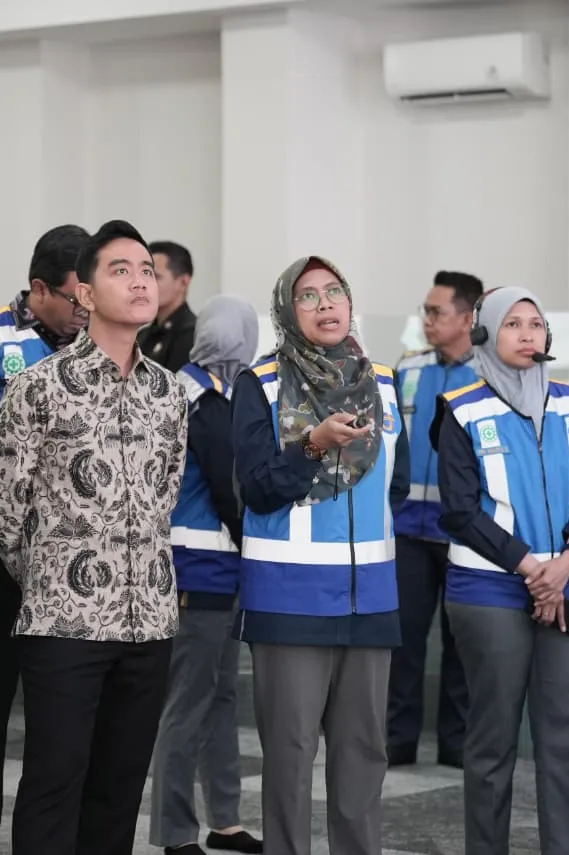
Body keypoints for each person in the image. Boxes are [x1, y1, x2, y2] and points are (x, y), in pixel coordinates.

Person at [0, 220, 187, 855]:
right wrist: (51, 573)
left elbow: (165, 494)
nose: (140, 281)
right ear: (87, 293)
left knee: (119, 790)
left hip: (149, 621)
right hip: (63, 622)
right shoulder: (40, 386)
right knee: (54, 783)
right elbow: (3, 507)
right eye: (120, 271)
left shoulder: (169, 393)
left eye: (146, 270)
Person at [231, 256, 408, 855]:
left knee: (364, 753)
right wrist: (310, 446)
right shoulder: (259, 383)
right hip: (290, 595)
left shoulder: (384, 382)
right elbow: (256, 487)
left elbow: (395, 485)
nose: (325, 304)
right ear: (287, 310)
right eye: (307, 295)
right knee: (290, 753)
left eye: (334, 291)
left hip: (370, 597)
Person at [433, 286, 569, 855]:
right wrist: (534, 568)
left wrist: (568, 559)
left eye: (535, 323)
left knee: (564, 739)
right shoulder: (460, 407)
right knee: (492, 742)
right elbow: (460, 510)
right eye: (512, 323)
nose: (528, 333)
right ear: (484, 333)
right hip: (489, 593)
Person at [0, 222, 90, 855]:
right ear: (39, 289)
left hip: (73, 568)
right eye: (75, 298)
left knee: (63, 720)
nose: (86, 311)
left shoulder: (100, 345)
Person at [149, 295, 263, 855]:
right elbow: (227, 487)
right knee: (190, 701)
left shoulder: (192, 387)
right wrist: (255, 544)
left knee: (218, 696)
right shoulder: (206, 400)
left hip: (210, 566)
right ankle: (175, 831)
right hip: (201, 566)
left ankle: (225, 819)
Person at [388, 269, 483, 770]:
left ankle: (457, 744)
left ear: (467, 318)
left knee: (462, 641)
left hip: (466, 534)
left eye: (436, 311)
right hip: (406, 529)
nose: (426, 320)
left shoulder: (490, 373)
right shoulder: (408, 368)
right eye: (425, 311)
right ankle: (395, 741)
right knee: (401, 638)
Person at [138, 240, 196, 371]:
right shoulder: (141, 336)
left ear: (183, 282)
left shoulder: (193, 337)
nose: (144, 285)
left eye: (156, 276)